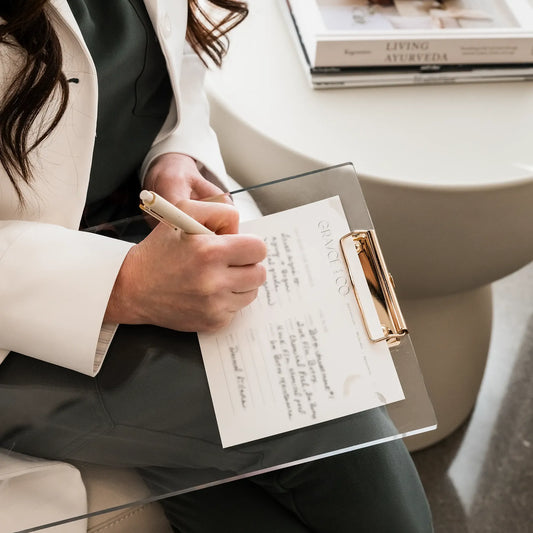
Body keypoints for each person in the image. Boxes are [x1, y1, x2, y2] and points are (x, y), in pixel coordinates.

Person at [0, 1, 433, 532]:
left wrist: (172, 158)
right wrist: (127, 285)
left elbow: (169, 68)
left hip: (139, 234)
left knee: (310, 424)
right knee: (337, 423)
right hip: (23, 330)